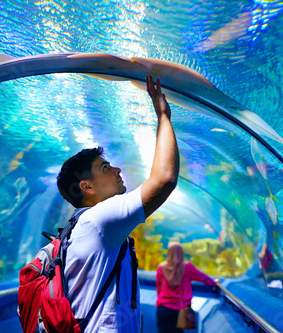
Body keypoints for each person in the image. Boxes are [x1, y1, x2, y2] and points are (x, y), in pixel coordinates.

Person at [56, 75, 179, 332]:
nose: (117, 169)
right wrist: (163, 116)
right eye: (105, 167)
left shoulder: (86, 224)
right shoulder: (99, 219)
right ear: (87, 187)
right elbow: (165, 178)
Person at [156, 242, 218, 333]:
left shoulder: (161, 267)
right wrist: (213, 282)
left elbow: (158, 287)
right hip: (180, 310)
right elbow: (202, 277)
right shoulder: (187, 267)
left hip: (163, 308)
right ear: (181, 252)